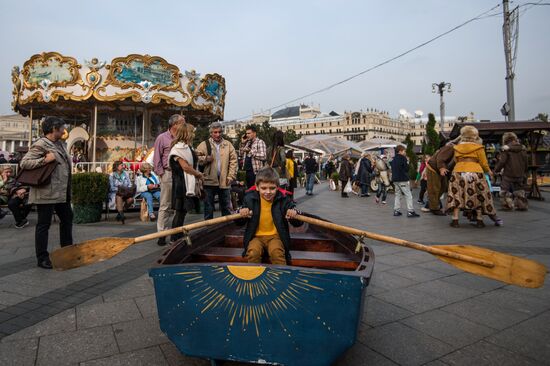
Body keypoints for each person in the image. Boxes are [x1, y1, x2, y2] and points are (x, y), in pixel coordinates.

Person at [20, 116, 73, 269]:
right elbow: (25, 163)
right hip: (46, 192)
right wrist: (44, 160)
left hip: (61, 191)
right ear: (54, 129)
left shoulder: (60, 144)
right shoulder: (41, 144)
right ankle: (42, 257)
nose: (64, 130)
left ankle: (66, 249)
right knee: (44, 224)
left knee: (67, 219)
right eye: (62, 127)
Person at [238, 167, 302, 265]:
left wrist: (294, 213)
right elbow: (239, 222)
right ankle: (254, 277)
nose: (268, 192)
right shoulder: (249, 199)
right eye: (264, 188)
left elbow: (298, 222)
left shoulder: (283, 199)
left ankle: (281, 276)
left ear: (277, 187)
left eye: (272, 188)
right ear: (257, 187)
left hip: (275, 237)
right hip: (256, 237)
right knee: (253, 253)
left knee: (277, 253)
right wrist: (241, 213)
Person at [446, 126, 496, 228]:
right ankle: (479, 220)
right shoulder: (479, 148)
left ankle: (455, 220)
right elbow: (484, 163)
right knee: (478, 194)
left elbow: (455, 160)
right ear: (475, 136)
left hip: (458, 172)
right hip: (476, 172)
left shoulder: (457, 147)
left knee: (457, 195)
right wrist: (489, 172)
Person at [169, 123, 204, 242]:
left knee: (182, 212)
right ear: (186, 133)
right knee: (179, 211)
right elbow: (185, 167)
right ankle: (174, 238)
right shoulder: (178, 149)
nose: (193, 134)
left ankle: (177, 236)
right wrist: (198, 174)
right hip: (181, 184)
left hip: (184, 182)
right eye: (192, 132)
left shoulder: (186, 147)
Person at [153, 114, 185, 245]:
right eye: (182, 122)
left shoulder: (182, 138)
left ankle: (174, 233)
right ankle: (162, 233)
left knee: (178, 204)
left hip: (180, 174)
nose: (184, 125)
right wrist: (161, 173)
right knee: (165, 204)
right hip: (168, 173)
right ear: (174, 125)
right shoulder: (162, 138)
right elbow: (157, 157)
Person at [196, 121, 238, 220]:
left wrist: (231, 176)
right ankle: (208, 230)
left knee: (226, 207)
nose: (217, 134)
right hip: (209, 180)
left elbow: (234, 161)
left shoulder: (228, 144)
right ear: (211, 133)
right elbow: (195, 157)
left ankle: (226, 227)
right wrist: (205, 158)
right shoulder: (204, 144)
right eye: (215, 132)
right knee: (208, 208)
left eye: (219, 132)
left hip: (224, 180)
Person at [423, 139, 459, 215]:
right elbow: (440, 158)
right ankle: (434, 208)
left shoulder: (456, 149)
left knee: (443, 187)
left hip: (440, 170)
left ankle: (432, 203)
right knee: (434, 189)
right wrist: (441, 168)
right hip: (434, 168)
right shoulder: (450, 147)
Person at [494, 132, 528, 211]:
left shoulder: (505, 149)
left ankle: (507, 205)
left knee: (504, 190)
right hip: (520, 174)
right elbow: (526, 162)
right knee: (519, 190)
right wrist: (524, 171)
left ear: (505, 140)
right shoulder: (523, 149)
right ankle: (521, 205)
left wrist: (496, 170)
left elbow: (502, 162)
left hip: (508, 174)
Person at [391, 146, 419, 218]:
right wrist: (407, 161)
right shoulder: (403, 158)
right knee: (408, 195)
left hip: (395, 180)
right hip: (402, 179)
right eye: (404, 151)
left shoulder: (393, 159)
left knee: (398, 195)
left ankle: (396, 211)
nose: (405, 152)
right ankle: (410, 211)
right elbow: (406, 169)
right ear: (400, 151)